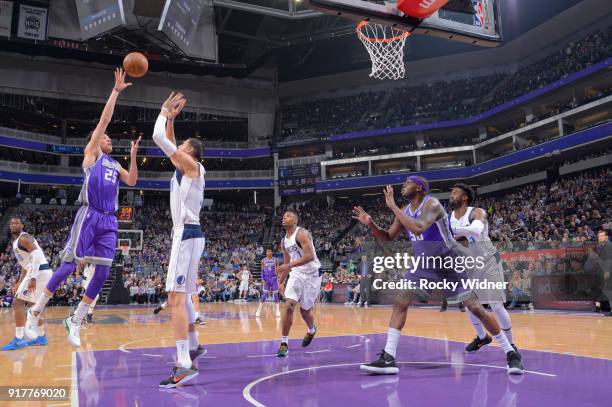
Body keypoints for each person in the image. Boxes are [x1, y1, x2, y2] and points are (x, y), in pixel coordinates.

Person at [354, 176, 524, 375]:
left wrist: (392, 207)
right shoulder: (405, 211)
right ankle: (389, 357)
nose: (403, 186)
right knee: (401, 301)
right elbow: (388, 237)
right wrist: (371, 224)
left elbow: (418, 227)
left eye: (408, 183)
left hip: (448, 260)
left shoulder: (432, 204)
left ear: (419, 188)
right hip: (424, 263)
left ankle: (511, 353)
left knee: (474, 307)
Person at [25, 68, 139, 348]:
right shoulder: (92, 156)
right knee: (67, 266)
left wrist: (134, 157)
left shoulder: (115, 164)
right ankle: (35, 311)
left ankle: (75, 319)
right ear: (96, 141)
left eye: (111, 138)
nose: (110, 139)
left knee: (102, 273)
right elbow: (104, 119)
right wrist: (115, 91)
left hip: (109, 221)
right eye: (106, 137)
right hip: (89, 215)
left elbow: (133, 181)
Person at [152, 92, 207, 388]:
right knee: (182, 296)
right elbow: (172, 143)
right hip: (190, 234)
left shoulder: (192, 167)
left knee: (174, 297)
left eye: (184, 147)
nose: (179, 147)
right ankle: (194, 344)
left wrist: (163, 114)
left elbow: (161, 139)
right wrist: (173, 118)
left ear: (190, 153)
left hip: (185, 235)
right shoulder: (190, 168)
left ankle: (184, 363)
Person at [449, 183, 518, 353]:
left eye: (455, 193)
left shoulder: (477, 212)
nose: (451, 196)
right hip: (470, 265)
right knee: (469, 305)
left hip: (488, 261)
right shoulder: (449, 217)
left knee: (495, 304)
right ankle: (482, 337)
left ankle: (511, 346)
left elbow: (475, 230)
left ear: (464, 197)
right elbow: (456, 241)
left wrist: (449, 230)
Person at [276, 211, 322, 357]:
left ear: (295, 221)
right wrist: (280, 282)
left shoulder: (301, 233)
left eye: (288, 216)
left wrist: (287, 267)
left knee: (305, 311)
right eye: (283, 216)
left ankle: (311, 330)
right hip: (296, 274)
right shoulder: (284, 241)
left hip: (312, 275)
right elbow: (286, 263)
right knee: (289, 305)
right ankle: (284, 343)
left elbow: (310, 256)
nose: (284, 217)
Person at [1, 217, 52, 350]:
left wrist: (33, 278)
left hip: (38, 272)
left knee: (17, 303)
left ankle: (18, 339)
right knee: (33, 305)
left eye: (16, 223)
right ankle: (41, 336)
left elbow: (36, 257)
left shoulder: (24, 238)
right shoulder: (16, 242)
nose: (13, 225)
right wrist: (19, 282)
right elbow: (25, 265)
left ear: (22, 225)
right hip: (39, 271)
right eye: (11, 223)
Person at [256, 249, 281, 318]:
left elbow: (278, 269)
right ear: (266, 253)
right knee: (264, 295)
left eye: (270, 251)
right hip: (266, 279)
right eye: (268, 251)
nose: (269, 252)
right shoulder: (263, 260)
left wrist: (278, 278)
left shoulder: (275, 259)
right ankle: (259, 310)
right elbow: (262, 270)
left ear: (272, 252)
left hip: (273, 278)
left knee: (276, 295)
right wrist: (262, 278)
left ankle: (277, 310)